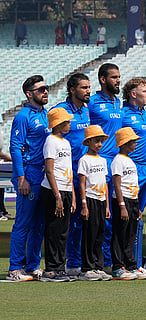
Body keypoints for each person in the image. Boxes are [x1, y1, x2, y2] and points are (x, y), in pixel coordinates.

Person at [8, 75, 50, 282]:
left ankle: (33, 266)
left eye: (46, 88)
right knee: (23, 222)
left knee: (39, 224)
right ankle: (15, 268)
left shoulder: (46, 114)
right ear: (29, 93)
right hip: (29, 174)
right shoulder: (23, 116)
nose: (45, 91)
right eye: (41, 89)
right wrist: (21, 177)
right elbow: (15, 147)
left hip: (43, 176)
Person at [53, 73, 92, 277]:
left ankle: (81, 262)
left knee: (85, 219)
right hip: (68, 173)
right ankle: (66, 263)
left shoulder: (87, 111)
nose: (88, 91)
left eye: (88, 87)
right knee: (67, 221)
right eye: (84, 87)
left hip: (86, 172)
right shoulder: (61, 111)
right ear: (72, 90)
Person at [88, 63, 122, 274]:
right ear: (102, 79)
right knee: (97, 219)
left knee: (114, 217)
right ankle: (88, 263)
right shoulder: (91, 103)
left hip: (116, 165)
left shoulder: (118, 103)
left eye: (119, 77)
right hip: (98, 166)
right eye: (114, 77)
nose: (118, 80)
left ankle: (112, 262)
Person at [40, 108, 75, 282]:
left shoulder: (65, 143)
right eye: (67, 121)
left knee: (63, 231)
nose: (70, 124)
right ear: (58, 123)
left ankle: (61, 267)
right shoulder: (51, 141)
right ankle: (52, 269)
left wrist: (72, 196)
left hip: (67, 190)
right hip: (53, 191)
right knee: (54, 230)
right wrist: (58, 196)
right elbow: (49, 170)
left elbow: (68, 169)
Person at [121, 78, 146, 269]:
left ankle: (136, 262)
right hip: (130, 170)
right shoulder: (123, 114)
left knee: (139, 217)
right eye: (145, 91)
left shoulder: (145, 114)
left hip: (145, 169)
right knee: (126, 217)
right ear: (134, 94)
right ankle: (120, 262)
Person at [111, 127, 146, 280]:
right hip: (123, 200)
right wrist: (122, 205)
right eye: (132, 142)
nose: (135, 144)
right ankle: (118, 267)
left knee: (131, 234)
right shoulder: (118, 160)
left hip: (132, 201)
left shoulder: (130, 160)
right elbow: (117, 185)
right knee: (121, 234)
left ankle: (130, 265)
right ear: (125, 143)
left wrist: (137, 207)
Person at [77, 125, 112, 281]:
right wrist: (83, 204)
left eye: (101, 141)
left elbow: (105, 183)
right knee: (89, 234)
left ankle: (98, 266)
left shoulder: (103, 160)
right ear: (89, 142)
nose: (99, 144)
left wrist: (107, 206)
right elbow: (82, 184)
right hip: (90, 199)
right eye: (96, 141)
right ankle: (87, 267)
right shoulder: (84, 160)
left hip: (101, 200)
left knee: (100, 234)